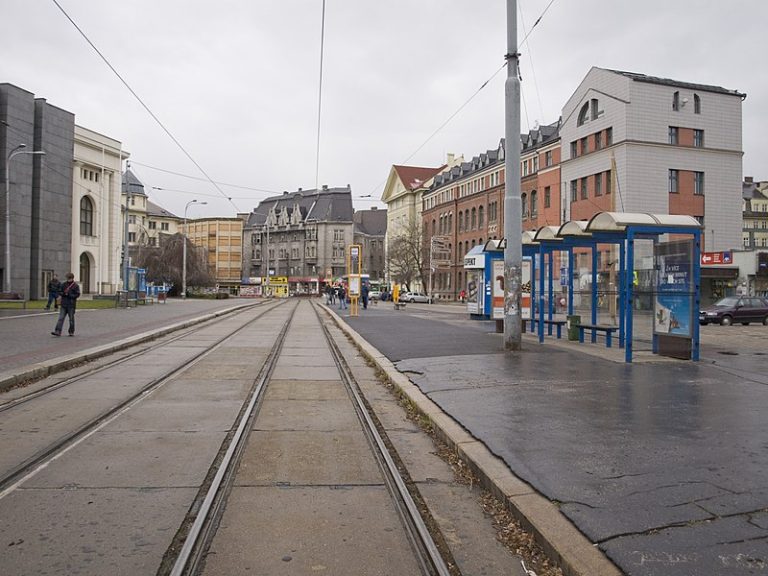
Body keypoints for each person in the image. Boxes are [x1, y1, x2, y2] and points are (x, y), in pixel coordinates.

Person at [51, 272, 81, 337]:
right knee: (60, 318)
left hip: (71, 305)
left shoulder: (75, 286)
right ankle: (57, 331)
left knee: (71, 319)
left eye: (69, 278)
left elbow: (77, 294)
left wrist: (70, 295)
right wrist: (64, 294)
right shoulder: (64, 284)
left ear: (72, 278)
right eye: (68, 278)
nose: (68, 280)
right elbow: (59, 291)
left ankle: (71, 331)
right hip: (64, 304)